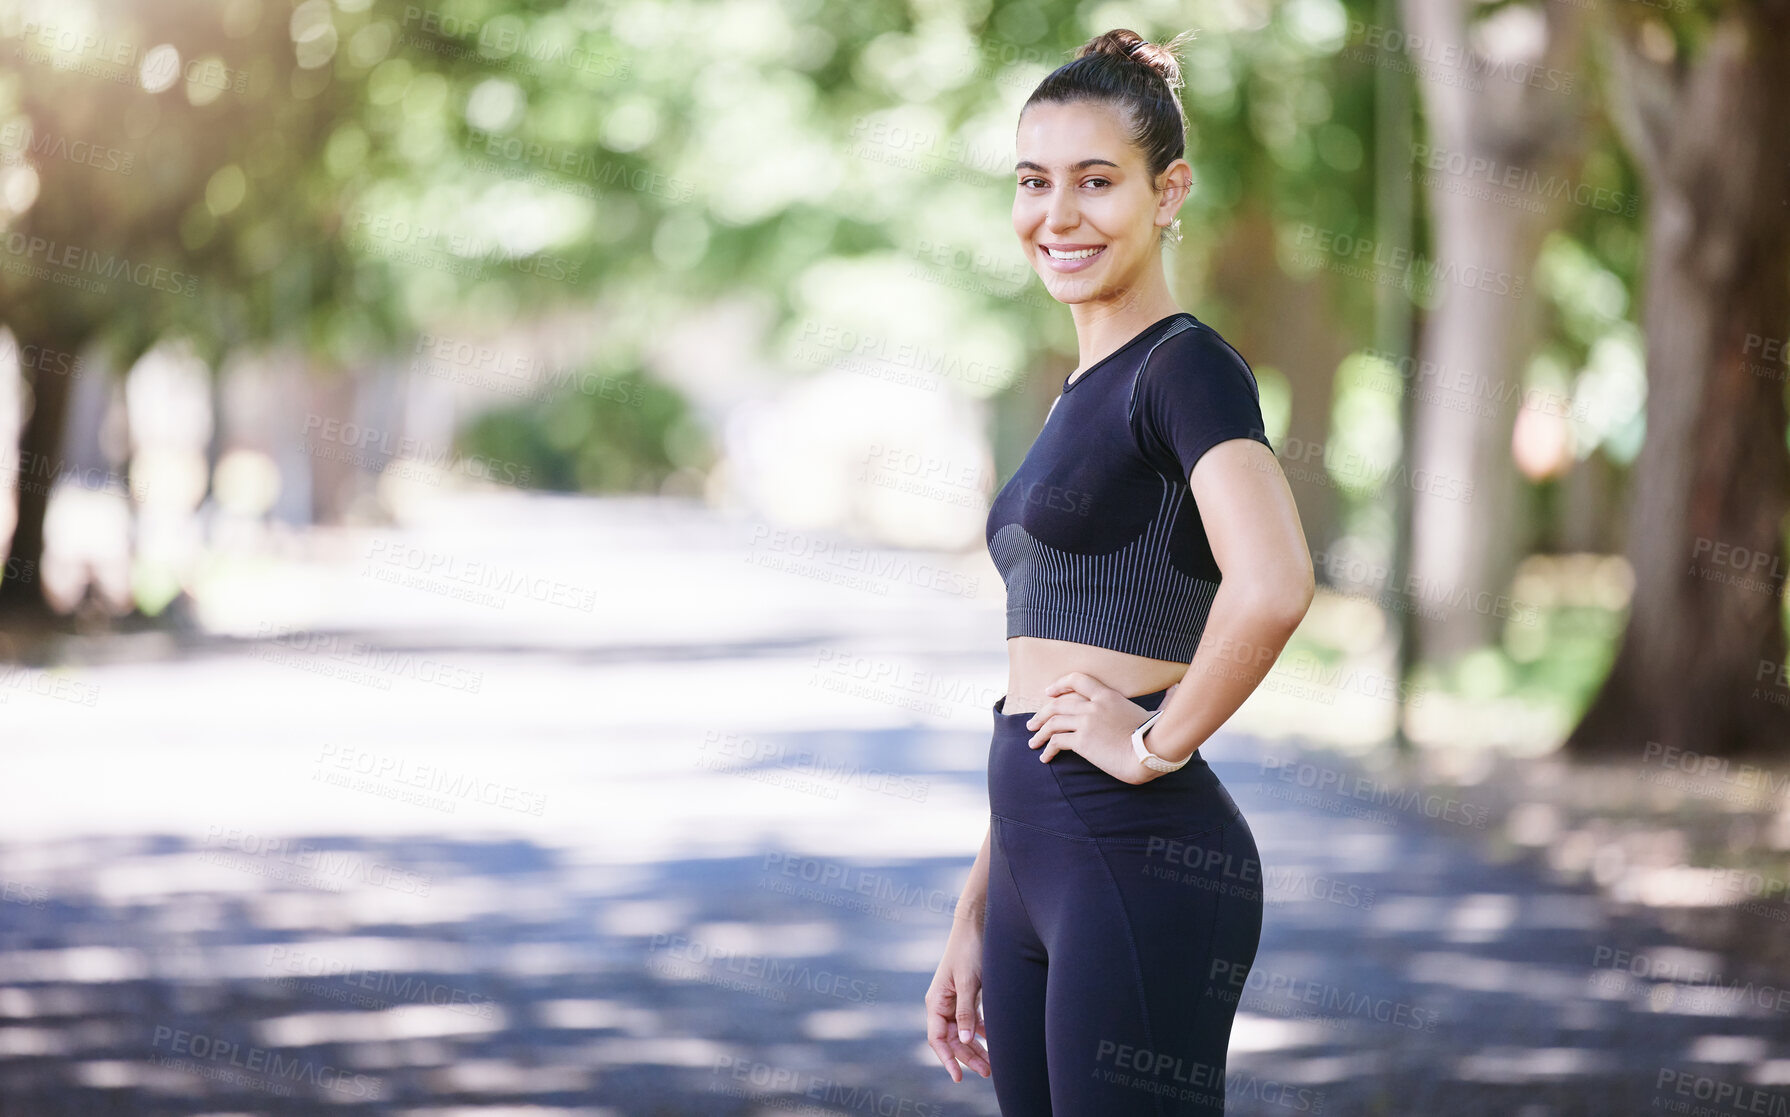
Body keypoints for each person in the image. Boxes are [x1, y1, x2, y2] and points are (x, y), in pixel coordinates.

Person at [923, 27, 1315, 1116]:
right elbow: (1038, 688)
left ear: (1167, 191)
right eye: (1032, 182)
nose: (1056, 215)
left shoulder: (1185, 368)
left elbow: (1274, 582)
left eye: (1095, 182)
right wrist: (972, 914)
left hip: (1141, 859)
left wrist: (1152, 741)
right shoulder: (1073, 391)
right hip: (1032, 863)